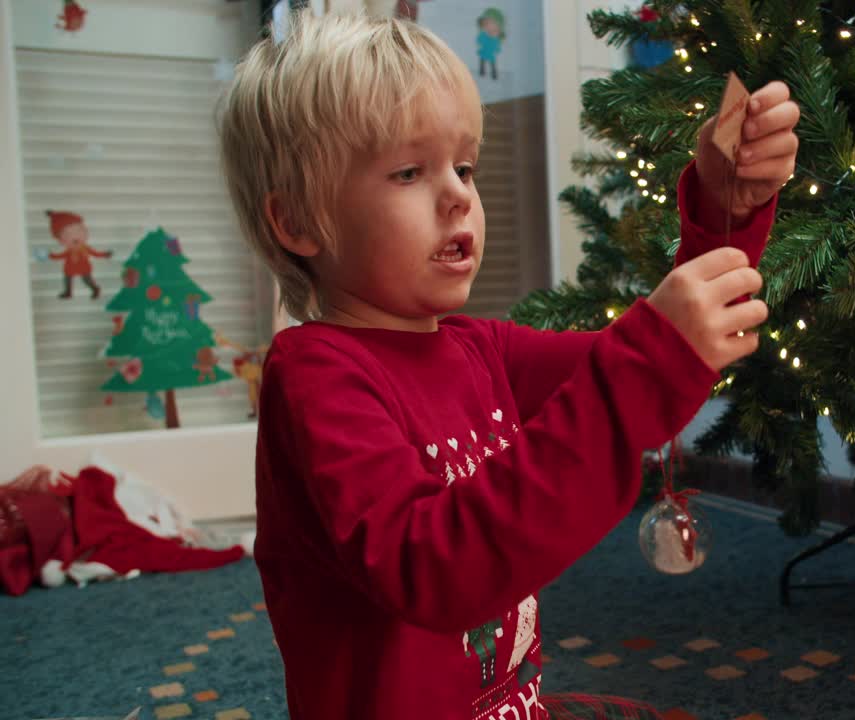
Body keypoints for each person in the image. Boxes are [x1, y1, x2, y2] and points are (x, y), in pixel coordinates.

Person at [216, 10, 799, 720]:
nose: (460, 194)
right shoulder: (313, 375)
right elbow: (433, 569)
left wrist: (723, 209)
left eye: (464, 167)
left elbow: (654, 375)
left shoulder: (480, 349)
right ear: (298, 223)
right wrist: (646, 361)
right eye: (408, 172)